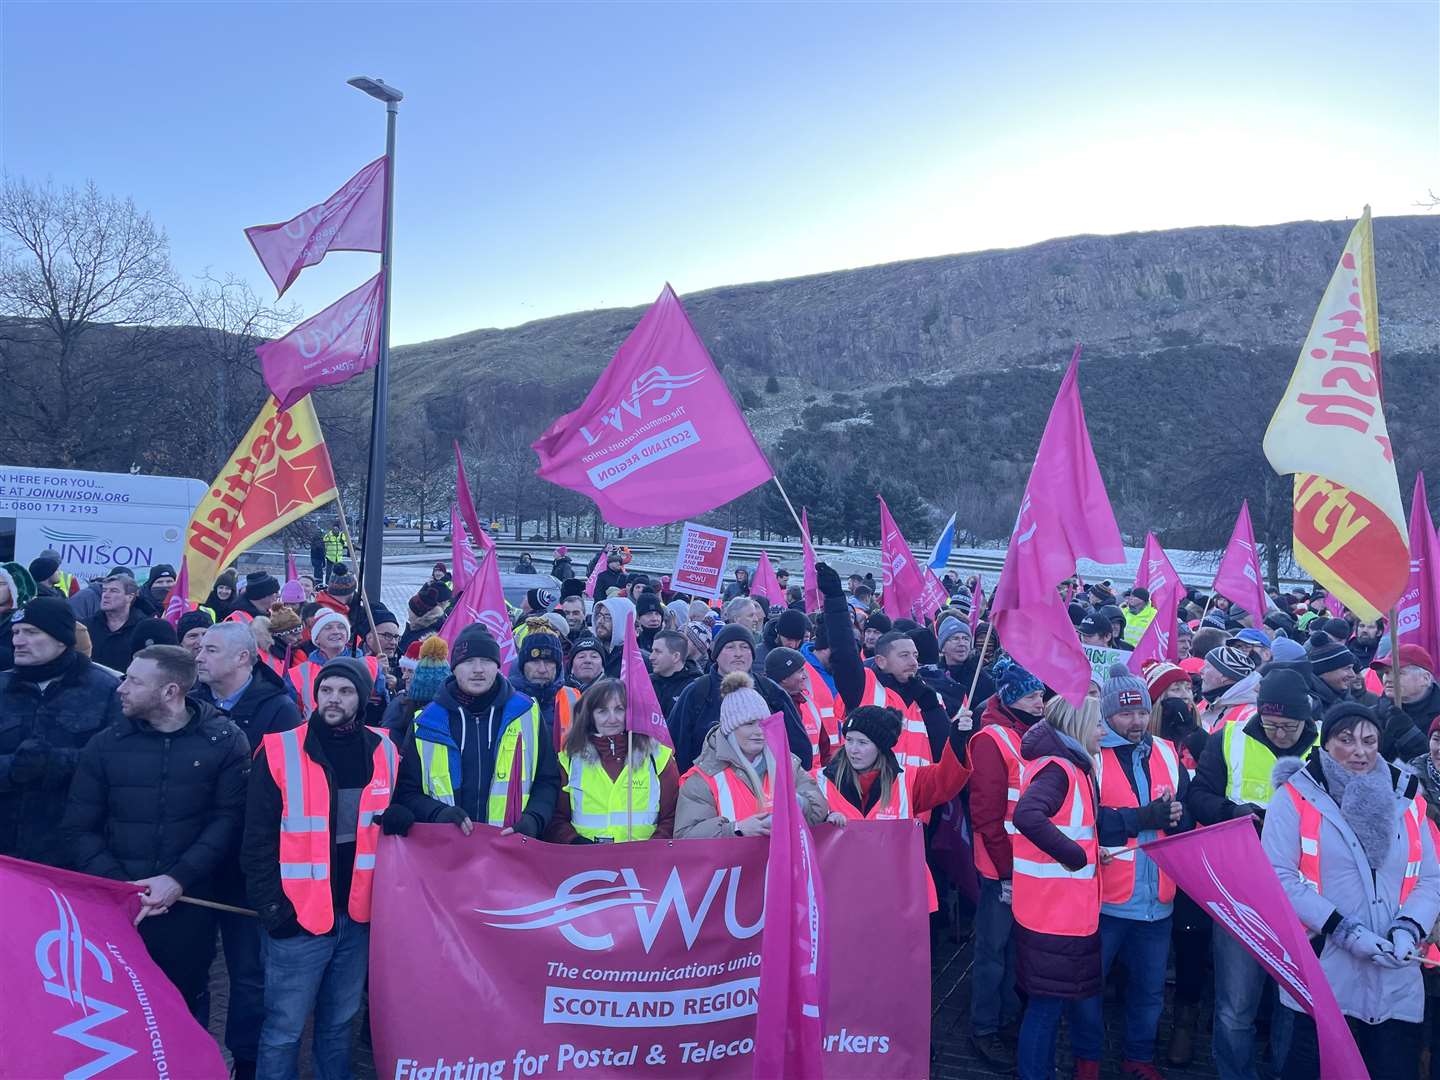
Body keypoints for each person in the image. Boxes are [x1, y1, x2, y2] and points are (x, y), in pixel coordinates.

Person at [62, 646, 248, 1022]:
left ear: (170, 692)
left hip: (188, 906)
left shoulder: (224, 741)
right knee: (115, 1012)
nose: (121, 688)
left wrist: (177, 879)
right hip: (116, 906)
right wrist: (121, 886)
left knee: (183, 1009)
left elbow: (227, 821)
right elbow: (79, 827)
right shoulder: (106, 745)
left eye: (133, 680)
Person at [242, 657, 400, 1080]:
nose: (333, 699)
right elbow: (255, 841)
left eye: (344, 691)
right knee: (283, 1030)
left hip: (357, 916)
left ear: (362, 698)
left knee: (338, 1025)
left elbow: (392, 821)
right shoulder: (279, 749)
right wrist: (274, 911)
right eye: (326, 690)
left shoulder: (385, 749)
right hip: (299, 919)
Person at [1265, 703, 1440, 1080]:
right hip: (1322, 964)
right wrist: (1345, 930)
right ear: (1326, 744)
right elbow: (1279, 877)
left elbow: (1429, 877)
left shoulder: (1409, 799)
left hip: (1395, 972)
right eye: (1346, 740)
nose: (1359, 751)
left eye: (1369, 740)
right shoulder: (1293, 797)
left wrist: (1409, 928)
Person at [1011, 694, 1165, 1080]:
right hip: (1054, 910)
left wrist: (1090, 852)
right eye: (1097, 724)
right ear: (1078, 726)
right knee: (1045, 1010)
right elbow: (1028, 815)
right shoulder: (1061, 769)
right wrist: (1077, 856)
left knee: (1047, 1007)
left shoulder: (1071, 766)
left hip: (1056, 907)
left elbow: (1071, 824)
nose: (1103, 731)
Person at [1187, 666, 1317, 1080]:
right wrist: (1233, 813)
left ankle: (1283, 1071)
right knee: (1235, 1004)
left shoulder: (1327, 745)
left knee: (1293, 1002)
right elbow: (1199, 796)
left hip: (1304, 896)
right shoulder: (1229, 736)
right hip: (1241, 889)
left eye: (1289, 726)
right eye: (1272, 724)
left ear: (1306, 718)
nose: (1280, 733)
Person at [188, 620, 301, 1074]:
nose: (198, 655)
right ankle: (188, 1052)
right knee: (188, 970)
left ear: (242, 658)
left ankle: (247, 1061)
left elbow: (283, 790)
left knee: (248, 975)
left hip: (244, 865)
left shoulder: (279, 712)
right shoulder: (191, 703)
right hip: (192, 860)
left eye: (210, 649)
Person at [1068, 665, 1189, 1080]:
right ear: (1106, 715)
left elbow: (1185, 810)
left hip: (1159, 898)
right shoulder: (1092, 756)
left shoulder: (1169, 752)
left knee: (1150, 992)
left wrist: (1178, 818)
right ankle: (1087, 1057)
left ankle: (1139, 1056)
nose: (1136, 722)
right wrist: (1141, 818)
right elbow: (1086, 820)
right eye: (1125, 714)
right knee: (1089, 987)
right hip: (1106, 897)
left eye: (1142, 713)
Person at [391, 625, 561, 837]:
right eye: (468, 661)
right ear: (454, 667)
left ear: (498, 666)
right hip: (447, 851)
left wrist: (535, 819)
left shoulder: (527, 712)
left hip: (511, 847)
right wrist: (437, 813)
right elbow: (407, 791)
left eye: (487, 661)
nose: (478, 669)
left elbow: (547, 780)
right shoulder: (425, 721)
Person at [967, 656, 1048, 1068]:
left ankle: (1010, 1017)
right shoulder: (991, 739)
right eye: (1033, 694)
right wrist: (1004, 872)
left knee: (1018, 948)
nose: (1041, 701)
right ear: (1014, 695)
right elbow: (985, 814)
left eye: (1041, 693)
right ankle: (983, 1028)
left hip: (1027, 864)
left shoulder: (1031, 732)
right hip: (1001, 866)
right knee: (993, 951)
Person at [815, 701, 973, 907]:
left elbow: (946, 779)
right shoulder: (818, 781)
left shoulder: (907, 780)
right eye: (850, 740)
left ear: (880, 747)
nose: (853, 750)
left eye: (863, 743)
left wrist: (958, 740)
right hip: (839, 893)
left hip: (893, 895)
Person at [0, 597, 121, 863]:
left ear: (61, 639)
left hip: (70, 850)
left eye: (31, 632)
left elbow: (118, 760)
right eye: (16, 632)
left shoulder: (106, 689)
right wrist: (14, 768)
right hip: (5, 848)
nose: (18, 641)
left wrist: (55, 763)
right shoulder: (2, 686)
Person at [674, 672, 835, 838]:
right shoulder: (704, 777)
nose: (758, 731)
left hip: (779, 863)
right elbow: (685, 836)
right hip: (734, 864)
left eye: (762, 723)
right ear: (730, 729)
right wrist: (736, 829)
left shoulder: (788, 764)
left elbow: (819, 810)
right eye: (749, 724)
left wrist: (802, 804)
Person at [546, 678, 679, 843]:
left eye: (619, 709)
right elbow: (556, 817)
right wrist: (574, 841)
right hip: (586, 863)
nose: (612, 719)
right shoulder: (569, 759)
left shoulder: (658, 757)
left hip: (644, 863)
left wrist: (651, 849)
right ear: (590, 716)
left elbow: (672, 816)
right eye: (602, 711)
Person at [667, 624, 813, 774]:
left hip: (766, 790)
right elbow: (675, 747)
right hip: (710, 791)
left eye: (744, 647)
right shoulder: (697, 692)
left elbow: (799, 748)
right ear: (716, 654)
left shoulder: (771, 691)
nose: (738, 653)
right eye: (730, 647)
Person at [509, 624, 581, 749]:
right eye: (535, 662)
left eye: (548, 662)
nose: (542, 669)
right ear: (522, 665)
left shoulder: (574, 698)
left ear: (558, 667)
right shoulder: (506, 698)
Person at [1375, 646, 1440, 759]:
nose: (1388, 678)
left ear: (1425, 678)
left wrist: (1409, 735)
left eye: (1398, 673)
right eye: (1386, 672)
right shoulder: (1374, 714)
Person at [83, 573, 145, 672]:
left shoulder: (143, 627)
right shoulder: (86, 626)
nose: (106, 595)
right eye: (104, 590)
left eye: (114, 591)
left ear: (130, 597)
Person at [1196, 644, 1261, 733]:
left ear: (1225, 677)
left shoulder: (1249, 715)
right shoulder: (1207, 702)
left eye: (1207, 667)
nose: (1200, 670)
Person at [937, 616, 997, 707]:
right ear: (942, 647)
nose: (962, 643)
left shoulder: (981, 678)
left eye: (966, 639)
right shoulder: (935, 677)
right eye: (955, 639)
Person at [651, 629, 702, 719]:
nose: (651, 657)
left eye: (658, 652)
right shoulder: (646, 682)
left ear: (676, 657)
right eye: (652, 651)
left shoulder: (696, 686)